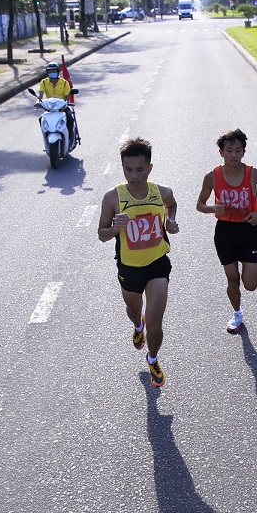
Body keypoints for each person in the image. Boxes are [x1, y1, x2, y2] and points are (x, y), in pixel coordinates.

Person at [97, 138, 180, 387]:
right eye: (128, 169)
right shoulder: (113, 197)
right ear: (122, 168)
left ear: (150, 168)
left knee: (156, 323)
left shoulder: (161, 192)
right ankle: (137, 324)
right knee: (135, 311)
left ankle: (153, 357)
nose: (134, 175)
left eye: (140, 169)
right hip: (129, 269)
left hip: (157, 264)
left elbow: (172, 205)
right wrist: (114, 229)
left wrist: (170, 221)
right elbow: (101, 234)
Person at [195, 129, 257, 334]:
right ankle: (237, 313)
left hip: (248, 230)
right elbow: (199, 204)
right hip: (224, 232)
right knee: (232, 279)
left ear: (244, 152)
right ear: (221, 152)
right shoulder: (212, 176)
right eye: (229, 150)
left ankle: (254, 257)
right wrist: (213, 209)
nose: (233, 154)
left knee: (250, 285)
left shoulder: (254, 174)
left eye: (238, 150)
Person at [37, 62, 78, 146]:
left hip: (62, 107)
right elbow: (40, 95)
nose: (52, 73)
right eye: (50, 71)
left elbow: (67, 96)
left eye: (54, 71)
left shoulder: (64, 83)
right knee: (41, 119)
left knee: (70, 118)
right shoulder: (44, 82)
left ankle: (70, 138)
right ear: (47, 73)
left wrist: (65, 104)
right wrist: (38, 102)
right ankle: (46, 136)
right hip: (49, 108)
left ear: (58, 72)